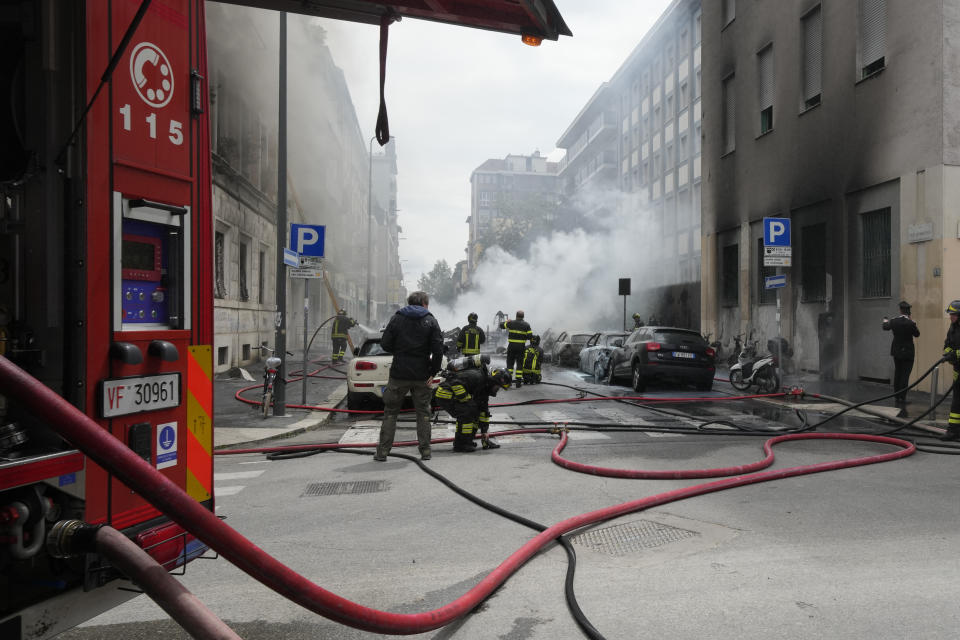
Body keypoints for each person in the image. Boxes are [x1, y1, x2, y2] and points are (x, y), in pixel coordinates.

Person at [374, 291, 444, 461]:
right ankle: (425, 451)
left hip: (399, 374)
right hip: (422, 375)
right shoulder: (431, 321)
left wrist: (400, 352)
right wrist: (432, 372)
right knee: (423, 414)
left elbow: (385, 344)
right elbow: (438, 350)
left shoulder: (397, 318)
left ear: (409, 303)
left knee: (391, 412)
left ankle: (382, 453)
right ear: (425, 304)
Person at [434, 359, 511, 452]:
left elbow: (483, 410)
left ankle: (467, 441)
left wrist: (484, 433)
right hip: (445, 395)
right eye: (498, 387)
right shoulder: (477, 377)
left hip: (453, 396)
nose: (497, 390)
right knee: (468, 411)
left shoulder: (485, 387)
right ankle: (461, 445)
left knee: (475, 410)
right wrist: (465, 398)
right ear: (494, 381)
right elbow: (454, 382)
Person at [882, 300, 919, 409]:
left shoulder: (894, 321)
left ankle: (896, 396)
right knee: (905, 375)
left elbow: (885, 327)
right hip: (908, 352)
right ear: (909, 312)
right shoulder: (911, 323)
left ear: (900, 310)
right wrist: (913, 323)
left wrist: (885, 320)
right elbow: (917, 334)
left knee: (898, 373)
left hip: (896, 352)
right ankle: (903, 398)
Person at [941, 300, 960, 441]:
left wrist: (956, 354)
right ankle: (953, 431)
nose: (950, 317)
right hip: (957, 370)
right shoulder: (953, 327)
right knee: (956, 401)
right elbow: (947, 344)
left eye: (953, 314)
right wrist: (948, 354)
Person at [501, 310, 532, 388]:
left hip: (511, 346)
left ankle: (508, 382)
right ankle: (518, 382)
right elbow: (530, 336)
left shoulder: (511, 323)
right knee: (520, 364)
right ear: (523, 316)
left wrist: (507, 321)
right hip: (521, 347)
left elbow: (501, 326)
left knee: (510, 364)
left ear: (516, 316)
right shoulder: (526, 325)